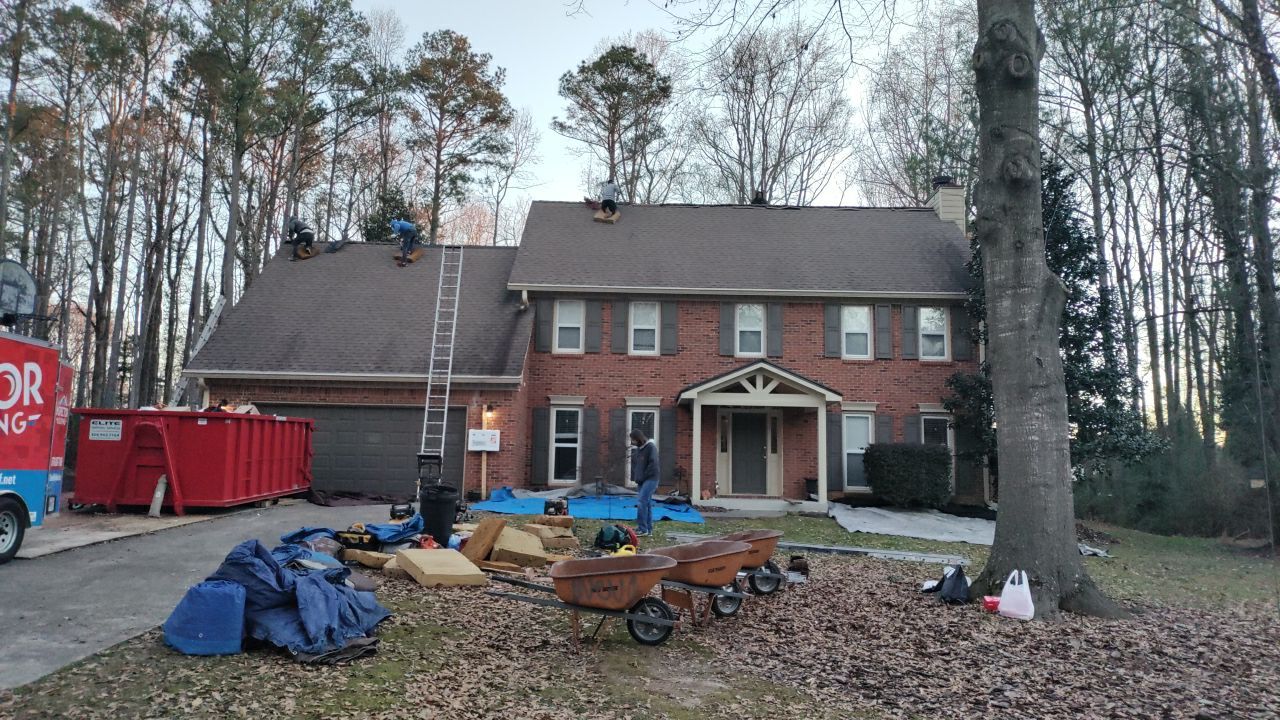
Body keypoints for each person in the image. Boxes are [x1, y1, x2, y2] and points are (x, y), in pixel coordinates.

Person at [629, 428, 660, 537]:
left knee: (642, 502)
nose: (632, 442)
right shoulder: (639, 449)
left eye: (633, 440)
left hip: (651, 479)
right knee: (647, 504)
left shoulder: (651, 448)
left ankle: (642, 528)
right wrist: (637, 477)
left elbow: (653, 465)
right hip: (641, 480)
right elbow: (638, 465)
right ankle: (648, 529)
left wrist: (644, 476)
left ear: (638, 438)